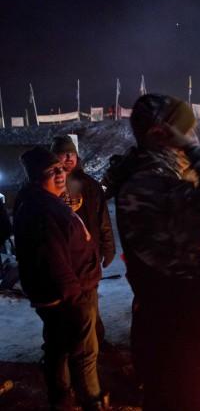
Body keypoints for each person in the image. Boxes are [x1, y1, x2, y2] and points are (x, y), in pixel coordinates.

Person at [104, 93, 200, 410]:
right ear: (162, 135)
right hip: (183, 333)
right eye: (187, 131)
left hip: (173, 326)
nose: (193, 137)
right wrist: (195, 153)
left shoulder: (155, 180)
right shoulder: (152, 186)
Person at [13, 147, 108, 410]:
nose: (60, 174)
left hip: (60, 294)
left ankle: (62, 400)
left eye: (61, 169)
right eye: (51, 171)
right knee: (84, 354)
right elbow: (54, 259)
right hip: (68, 296)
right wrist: (75, 298)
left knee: (58, 348)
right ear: (36, 177)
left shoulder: (45, 202)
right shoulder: (42, 210)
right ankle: (92, 402)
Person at [51, 135, 116, 346]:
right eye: (63, 153)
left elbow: (102, 219)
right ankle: (66, 343)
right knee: (64, 302)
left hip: (88, 255)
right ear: (54, 157)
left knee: (90, 299)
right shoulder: (47, 186)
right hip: (61, 256)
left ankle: (97, 338)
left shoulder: (89, 186)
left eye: (72, 153)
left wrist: (108, 247)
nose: (69, 157)